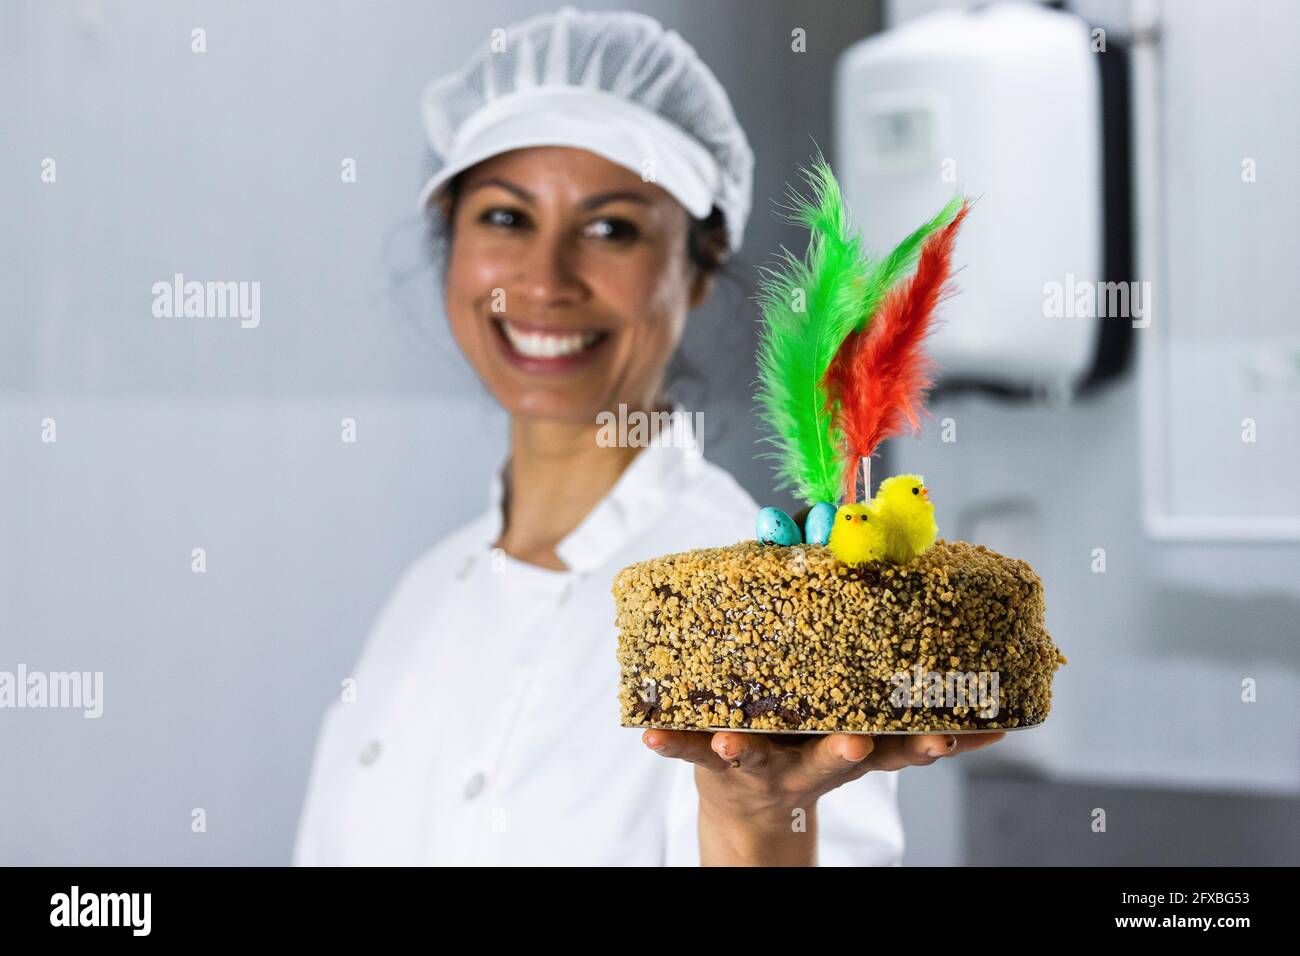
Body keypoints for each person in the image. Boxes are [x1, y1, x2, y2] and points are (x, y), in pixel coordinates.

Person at [293, 5, 1002, 867]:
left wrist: (756, 821)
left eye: (611, 229)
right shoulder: (422, 597)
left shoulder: (767, 613)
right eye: (506, 218)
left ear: (699, 267)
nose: (545, 281)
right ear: (450, 244)